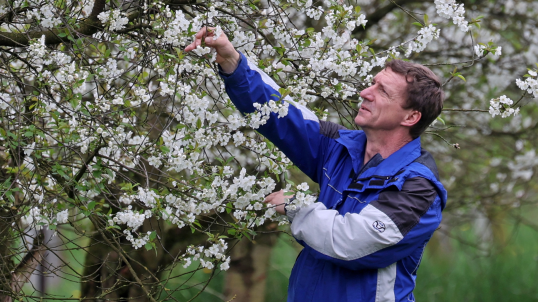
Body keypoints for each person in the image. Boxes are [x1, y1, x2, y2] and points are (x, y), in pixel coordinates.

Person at [185, 27, 447, 302]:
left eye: (382, 91)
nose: (364, 92)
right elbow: (280, 113)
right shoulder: (339, 147)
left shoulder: (419, 189)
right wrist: (232, 61)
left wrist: (296, 207)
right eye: (372, 83)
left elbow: (353, 243)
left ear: (411, 117)